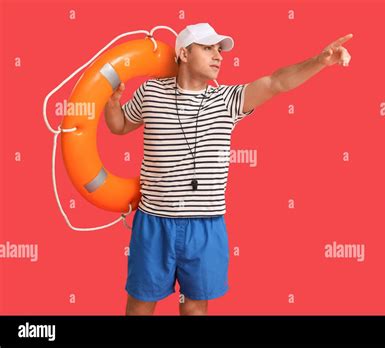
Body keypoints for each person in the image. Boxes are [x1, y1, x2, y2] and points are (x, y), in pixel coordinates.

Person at [104, 23, 353, 316]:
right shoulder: (152, 92)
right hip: (155, 222)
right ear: (184, 53)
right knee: (139, 306)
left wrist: (319, 61)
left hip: (205, 226)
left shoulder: (227, 101)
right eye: (208, 48)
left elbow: (276, 82)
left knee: (195, 307)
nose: (218, 56)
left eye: (219, 50)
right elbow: (119, 125)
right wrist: (112, 102)